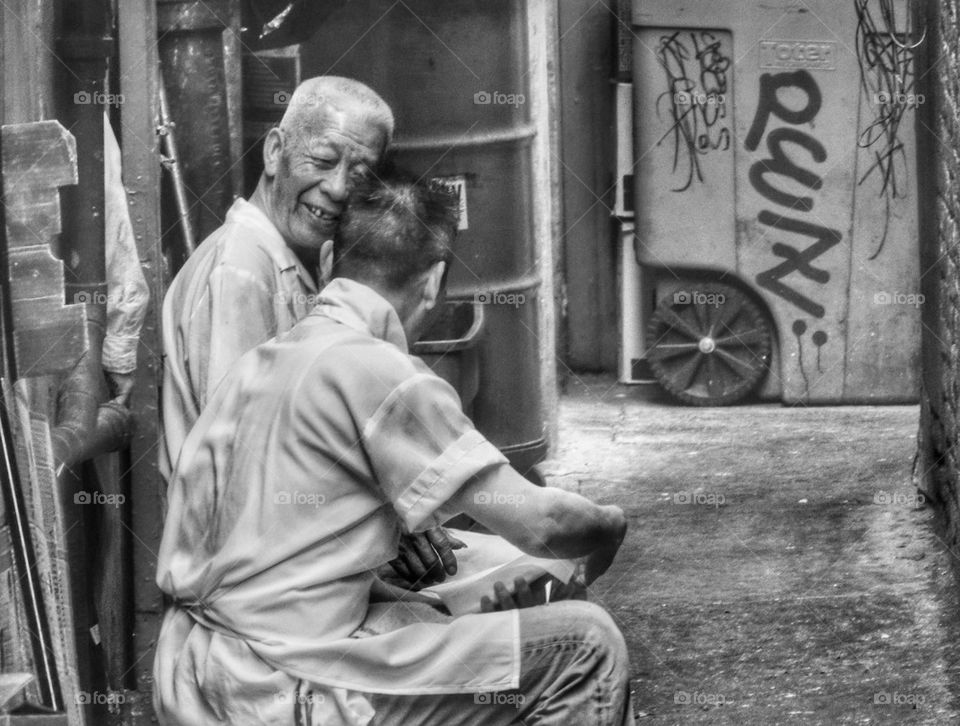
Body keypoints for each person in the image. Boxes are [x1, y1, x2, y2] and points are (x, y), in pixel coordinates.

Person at [153, 175, 634, 725]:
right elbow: (543, 525)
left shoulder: (260, 364)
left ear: (330, 256)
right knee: (587, 644)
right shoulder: (377, 370)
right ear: (432, 283)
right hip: (283, 685)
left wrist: (435, 612)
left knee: (438, 612)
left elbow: (271, 572)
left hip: (194, 673)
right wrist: (608, 526)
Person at [160, 75, 456, 583]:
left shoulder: (294, 265)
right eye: (321, 161)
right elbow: (245, 473)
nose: (338, 189)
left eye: (361, 175)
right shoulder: (241, 269)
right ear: (275, 152)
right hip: (245, 585)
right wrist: (378, 536)